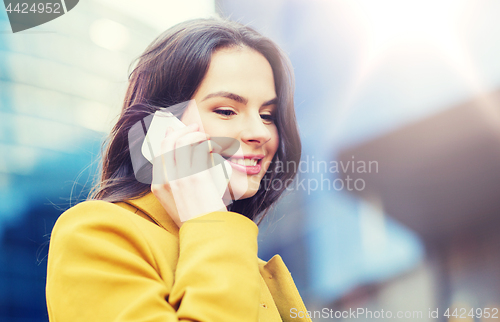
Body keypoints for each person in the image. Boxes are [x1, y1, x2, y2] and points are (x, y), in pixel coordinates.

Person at [45, 17, 311, 322]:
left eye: (267, 115)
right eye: (226, 111)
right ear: (159, 127)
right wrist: (210, 224)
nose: (260, 132)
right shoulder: (96, 235)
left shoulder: (245, 261)